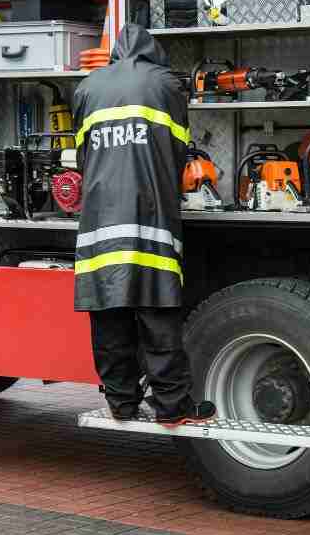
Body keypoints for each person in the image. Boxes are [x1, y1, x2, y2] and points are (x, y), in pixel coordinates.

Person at [71, 24, 216, 425]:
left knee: (109, 313)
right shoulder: (167, 85)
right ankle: (172, 407)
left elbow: (83, 157)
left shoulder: (87, 88)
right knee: (157, 313)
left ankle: (121, 402)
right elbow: (177, 152)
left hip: (99, 221)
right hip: (149, 220)